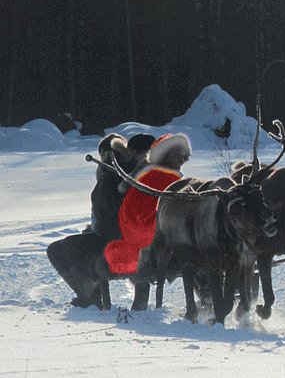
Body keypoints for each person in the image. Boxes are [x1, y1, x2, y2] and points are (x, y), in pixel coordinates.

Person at [47, 132, 155, 308]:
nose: (104, 158)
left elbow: (118, 206)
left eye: (106, 153)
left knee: (69, 247)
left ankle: (89, 296)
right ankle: (87, 294)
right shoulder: (108, 175)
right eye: (103, 154)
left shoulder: (123, 174)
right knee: (56, 250)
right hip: (104, 233)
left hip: (120, 236)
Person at [103, 133, 191, 276]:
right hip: (148, 233)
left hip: (139, 231)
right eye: (176, 155)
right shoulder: (161, 177)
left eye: (183, 155)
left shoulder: (153, 174)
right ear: (165, 155)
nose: (181, 159)